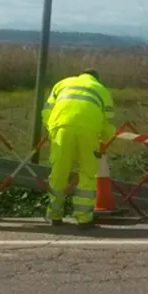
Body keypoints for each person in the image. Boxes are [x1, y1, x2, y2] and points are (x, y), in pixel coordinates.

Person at [41, 69, 116, 227]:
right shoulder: (101, 90)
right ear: (96, 78)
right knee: (87, 172)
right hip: (88, 130)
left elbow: (47, 111)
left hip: (61, 128)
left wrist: (52, 131)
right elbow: (107, 121)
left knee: (59, 171)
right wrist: (106, 138)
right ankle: (84, 218)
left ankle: (54, 214)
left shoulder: (62, 83)